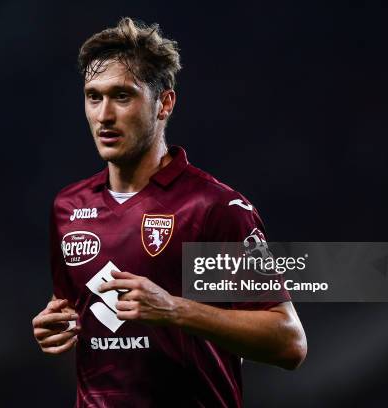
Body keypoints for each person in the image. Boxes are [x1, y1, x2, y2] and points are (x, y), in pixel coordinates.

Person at [32, 17, 307, 407]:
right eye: (94, 97)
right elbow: (77, 315)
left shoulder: (213, 208)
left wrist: (175, 309)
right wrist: (57, 327)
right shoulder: (69, 207)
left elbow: (289, 342)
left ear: (164, 103)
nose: (104, 115)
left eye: (122, 96)